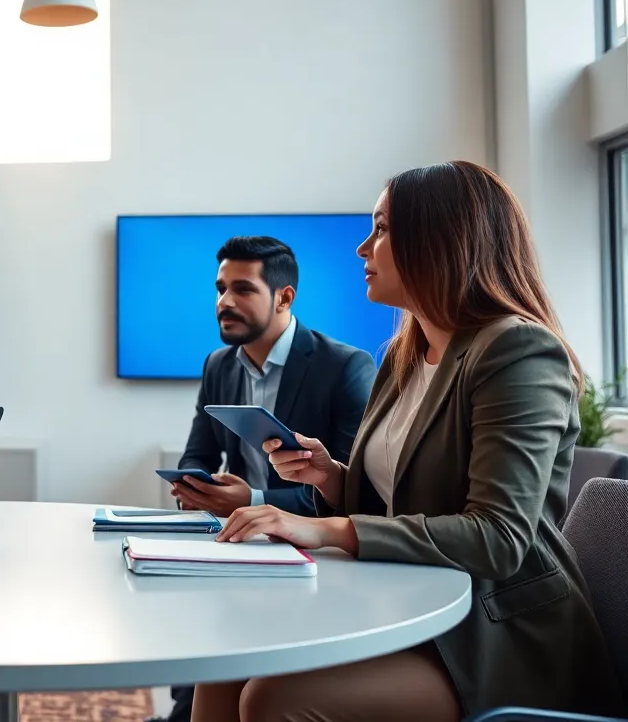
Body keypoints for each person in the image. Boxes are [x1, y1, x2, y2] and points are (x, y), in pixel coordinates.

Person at [193, 161, 627, 721]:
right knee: (223, 661)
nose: (362, 248)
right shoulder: (403, 355)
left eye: (382, 229)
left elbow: (497, 538)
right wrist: (332, 477)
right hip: (408, 599)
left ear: (441, 240)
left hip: (493, 632)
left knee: (273, 699)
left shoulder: (518, 352)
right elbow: (405, 503)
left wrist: (322, 526)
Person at [151, 236, 377, 722]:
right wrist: (196, 487)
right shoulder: (219, 365)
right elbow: (199, 452)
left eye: (242, 289)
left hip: (316, 551)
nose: (224, 303)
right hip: (241, 540)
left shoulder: (345, 368)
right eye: (219, 289)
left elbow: (350, 489)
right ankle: (183, 711)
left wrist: (251, 497)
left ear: (284, 297)